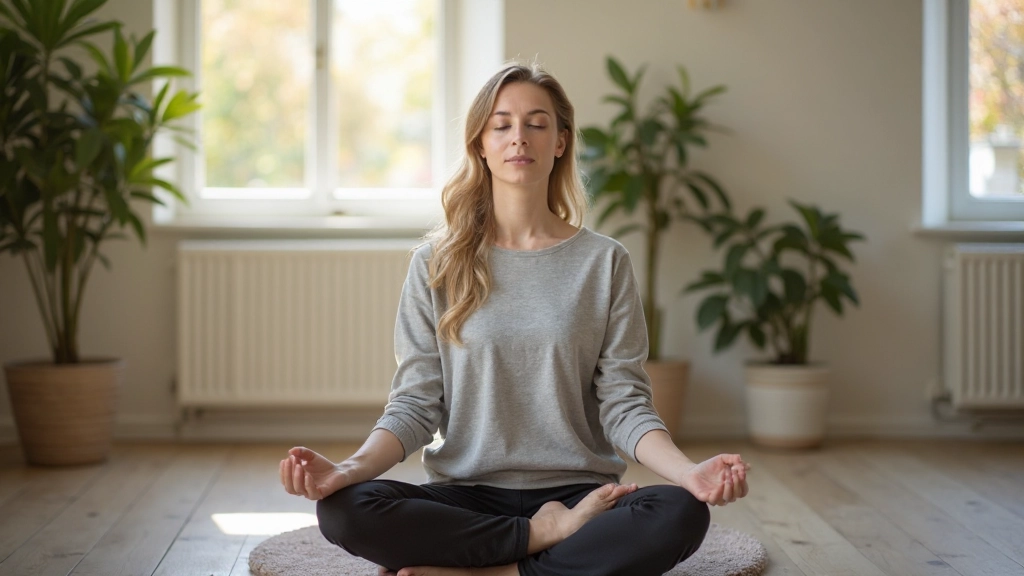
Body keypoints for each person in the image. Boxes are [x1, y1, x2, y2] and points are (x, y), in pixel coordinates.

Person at [280, 62, 750, 576]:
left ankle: (496, 571)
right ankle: (541, 543)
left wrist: (690, 473)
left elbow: (624, 403)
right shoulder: (434, 264)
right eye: (501, 124)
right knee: (346, 509)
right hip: (466, 494)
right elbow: (416, 403)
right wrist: (344, 471)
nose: (518, 138)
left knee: (679, 512)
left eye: (537, 123)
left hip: (580, 497)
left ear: (561, 142)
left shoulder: (604, 261)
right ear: (480, 144)